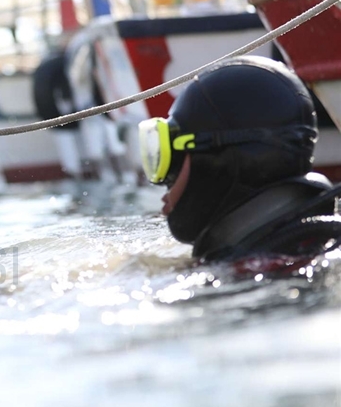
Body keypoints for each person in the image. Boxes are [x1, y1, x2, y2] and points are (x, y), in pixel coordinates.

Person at [138, 56, 341, 262]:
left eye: (170, 157)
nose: (164, 184)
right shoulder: (314, 245)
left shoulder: (257, 269)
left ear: (214, 159)